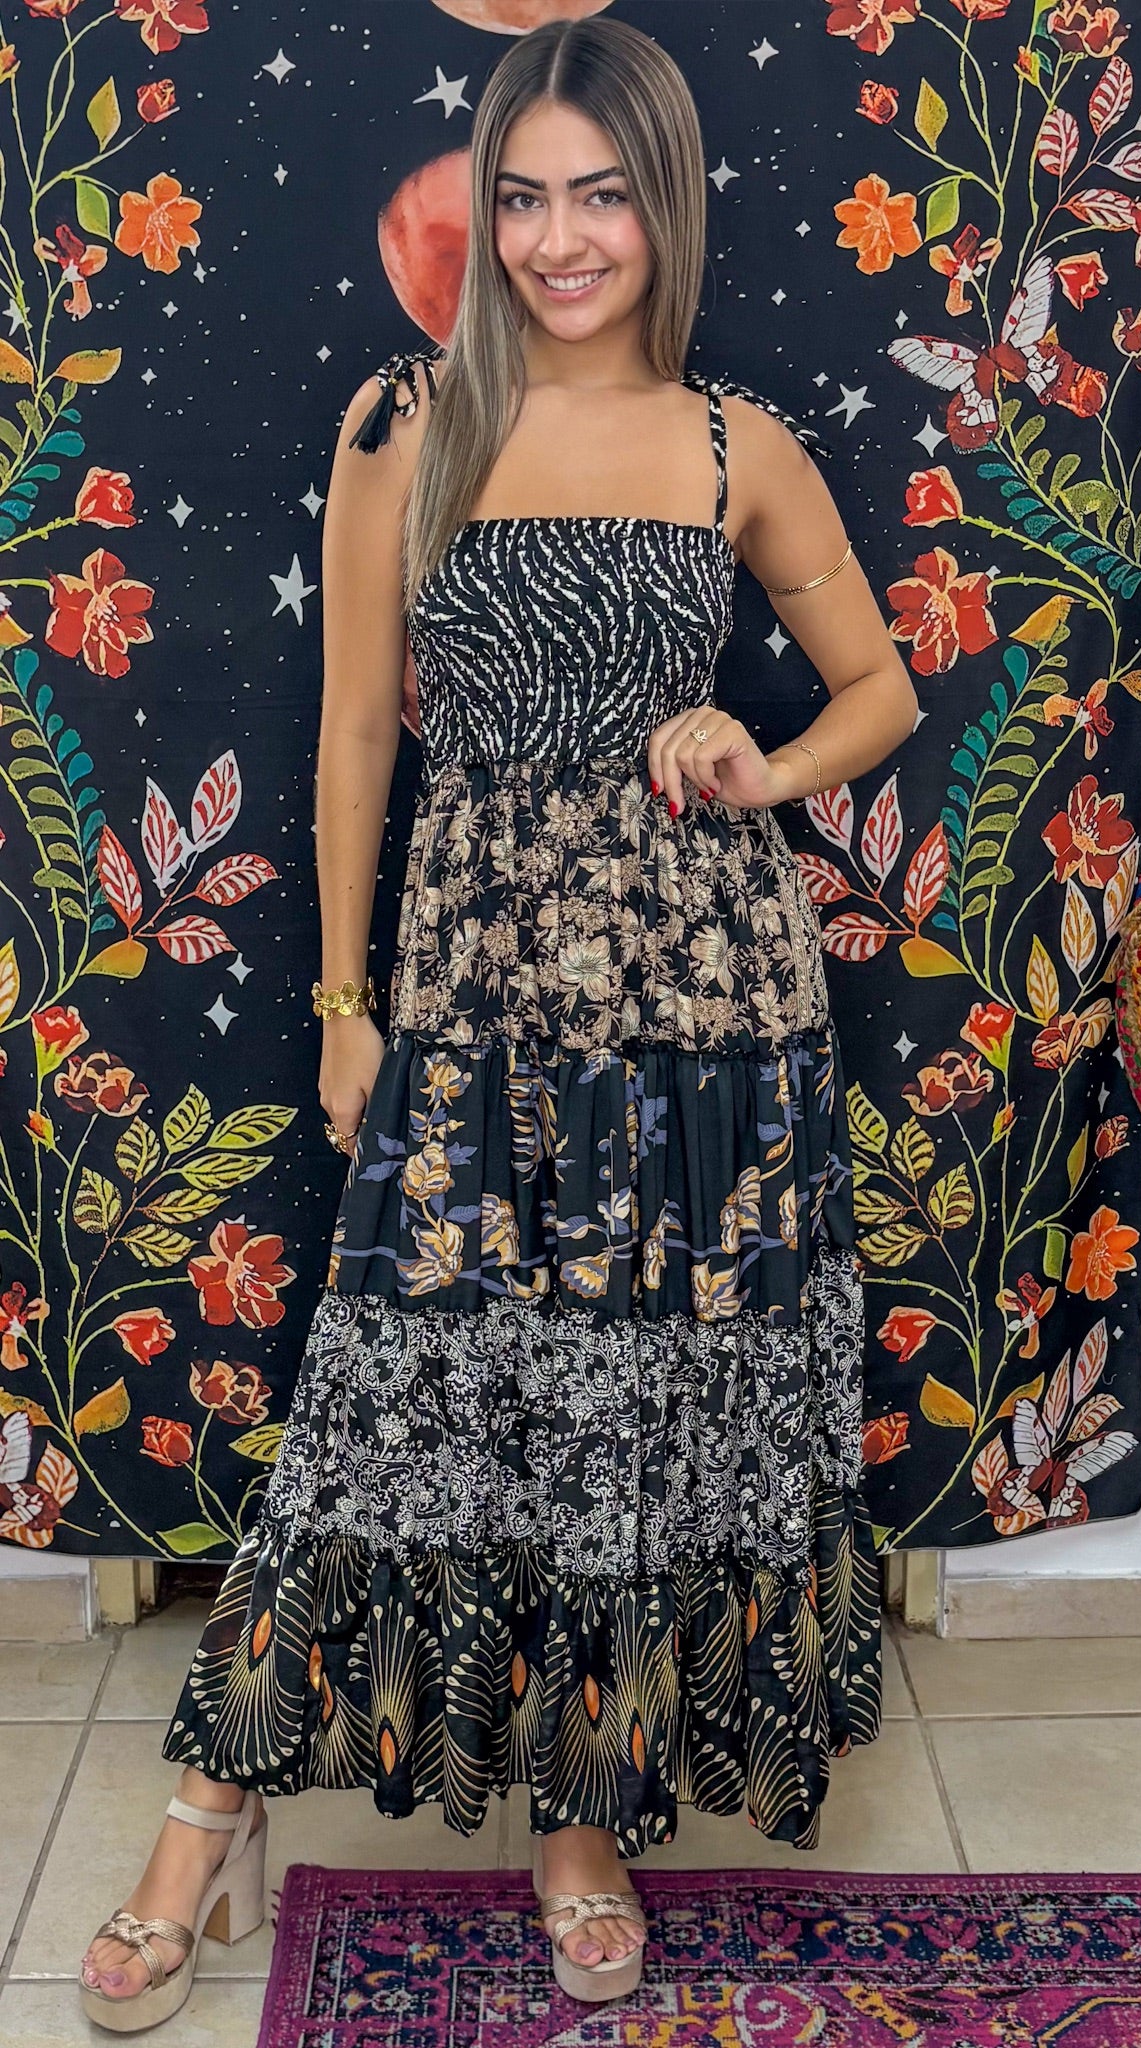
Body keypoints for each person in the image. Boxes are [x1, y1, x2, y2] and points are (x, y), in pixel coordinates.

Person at [78, 13, 919, 2029]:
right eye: (524, 197)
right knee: (392, 1403)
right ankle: (203, 1817)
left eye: (601, 196)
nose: (560, 239)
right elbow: (355, 731)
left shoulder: (735, 447)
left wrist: (762, 758)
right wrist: (344, 1001)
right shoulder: (410, 423)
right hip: (474, 983)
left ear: (664, 206)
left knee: (628, 1422)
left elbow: (883, 691)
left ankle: (580, 1824)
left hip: (709, 1008)